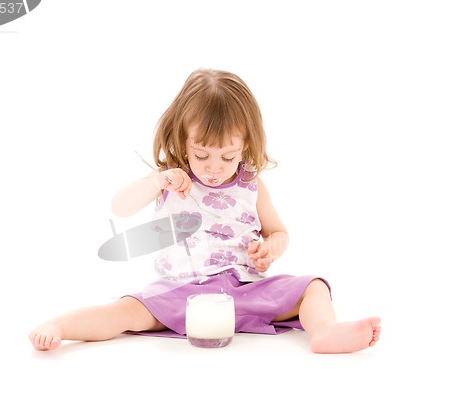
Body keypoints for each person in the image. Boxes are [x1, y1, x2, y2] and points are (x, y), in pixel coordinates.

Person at [29, 69, 381, 353]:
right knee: (123, 312)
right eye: (201, 155)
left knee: (314, 286)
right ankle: (60, 326)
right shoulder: (171, 181)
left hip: (244, 293)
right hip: (183, 293)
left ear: (246, 145)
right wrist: (159, 180)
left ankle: (326, 331)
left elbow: (279, 233)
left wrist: (271, 248)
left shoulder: (252, 187)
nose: (214, 167)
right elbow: (119, 207)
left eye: (228, 157)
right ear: (183, 141)